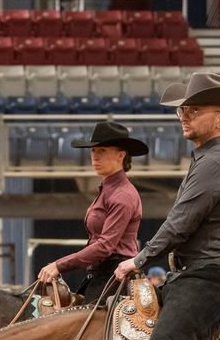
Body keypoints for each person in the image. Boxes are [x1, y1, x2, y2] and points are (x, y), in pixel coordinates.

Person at [113, 72, 220, 340]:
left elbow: (180, 224)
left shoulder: (215, 163)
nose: (183, 116)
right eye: (182, 111)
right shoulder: (209, 158)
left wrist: (137, 260)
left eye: (194, 110)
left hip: (211, 274)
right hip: (196, 273)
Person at [37, 121, 146, 299]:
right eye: (93, 151)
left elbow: (104, 247)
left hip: (114, 278)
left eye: (102, 151)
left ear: (121, 155)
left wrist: (59, 265)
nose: (95, 157)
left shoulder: (122, 195)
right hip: (101, 276)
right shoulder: (109, 190)